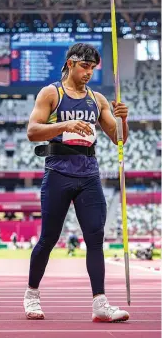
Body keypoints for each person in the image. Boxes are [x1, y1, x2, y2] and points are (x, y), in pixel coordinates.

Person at [24, 43, 129, 322]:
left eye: (93, 68)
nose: (89, 73)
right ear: (70, 63)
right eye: (84, 66)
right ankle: (32, 295)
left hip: (89, 176)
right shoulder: (51, 93)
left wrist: (124, 120)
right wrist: (64, 126)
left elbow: (118, 138)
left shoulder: (98, 99)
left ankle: (100, 303)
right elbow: (32, 131)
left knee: (95, 239)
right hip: (58, 173)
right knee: (48, 238)